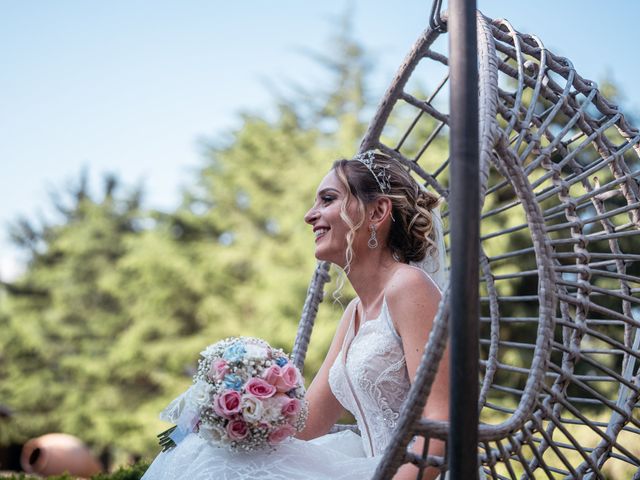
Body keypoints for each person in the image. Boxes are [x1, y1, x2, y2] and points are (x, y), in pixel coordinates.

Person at [142, 150, 449, 480]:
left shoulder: (410, 287)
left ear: (377, 211)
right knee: (210, 454)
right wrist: (235, 403)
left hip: (411, 475)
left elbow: (442, 424)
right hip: (371, 469)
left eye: (327, 199)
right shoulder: (354, 313)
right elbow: (308, 423)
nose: (309, 215)